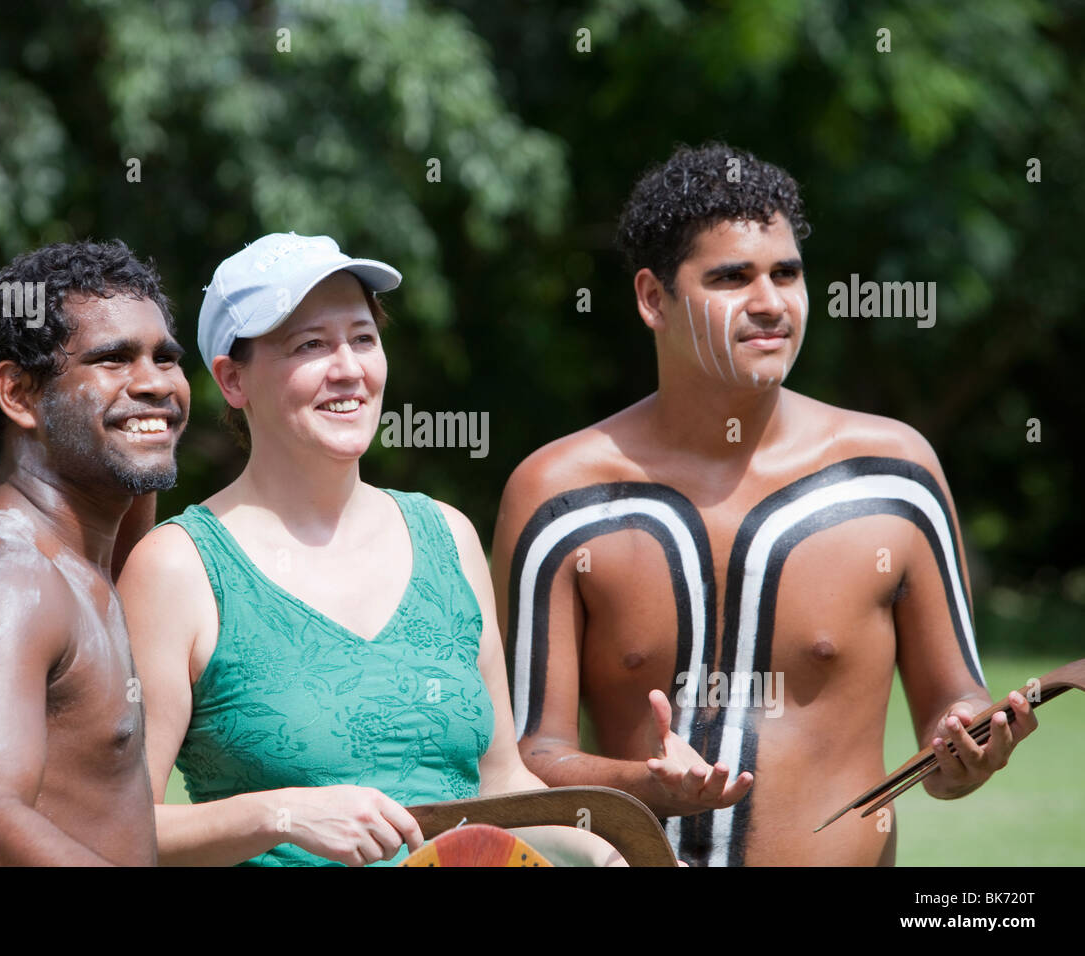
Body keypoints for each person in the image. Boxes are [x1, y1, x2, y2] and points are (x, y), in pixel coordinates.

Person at [491, 143, 1039, 866]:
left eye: (787, 273)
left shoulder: (894, 474)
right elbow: (525, 761)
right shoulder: (561, 493)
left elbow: (952, 701)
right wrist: (645, 786)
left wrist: (966, 740)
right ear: (655, 299)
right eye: (731, 277)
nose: (771, 302)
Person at [118, 233, 623, 866]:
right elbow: (119, 830)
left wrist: (614, 857)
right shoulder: (179, 567)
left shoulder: (450, 537)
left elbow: (500, 787)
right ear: (232, 380)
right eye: (310, 345)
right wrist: (281, 815)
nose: (349, 369)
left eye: (362, 337)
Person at [0, 240, 190, 865]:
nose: (155, 381)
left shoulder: (81, 561)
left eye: (166, 357)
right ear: (19, 395)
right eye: (113, 359)